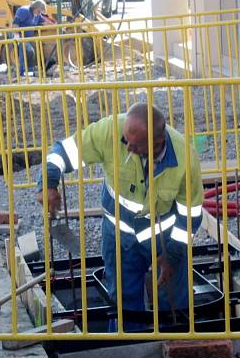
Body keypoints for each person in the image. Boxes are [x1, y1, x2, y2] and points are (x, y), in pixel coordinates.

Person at [36, 103, 205, 331]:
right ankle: (134, 351)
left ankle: (176, 342)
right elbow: (62, 152)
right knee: (124, 305)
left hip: (164, 239)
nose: (127, 149)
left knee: (173, 300)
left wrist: (172, 256)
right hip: (120, 237)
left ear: (156, 143)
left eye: (135, 146)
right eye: (126, 142)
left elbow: (190, 214)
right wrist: (49, 183)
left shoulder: (184, 158)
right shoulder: (111, 132)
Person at [11, 0, 50, 76]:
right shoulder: (24, 11)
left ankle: (28, 72)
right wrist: (17, 37)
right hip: (18, 34)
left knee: (27, 52)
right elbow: (15, 23)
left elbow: (45, 21)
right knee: (28, 51)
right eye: (39, 11)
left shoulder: (37, 15)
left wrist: (56, 25)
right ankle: (23, 73)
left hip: (26, 36)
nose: (39, 13)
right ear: (35, 7)